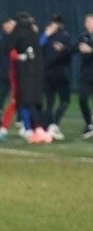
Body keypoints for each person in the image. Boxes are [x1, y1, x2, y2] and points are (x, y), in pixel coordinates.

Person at [9, 13, 50, 144]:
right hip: (36, 74)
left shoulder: (19, 35)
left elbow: (8, 49)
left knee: (27, 102)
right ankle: (34, 130)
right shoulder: (33, 36)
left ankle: (39, 130)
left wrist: (20, 57)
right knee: (32, 103)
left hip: (26, 74)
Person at [40, 13, 73, 141]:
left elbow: (38, 50)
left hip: (47, 73)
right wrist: (64, 49)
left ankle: (47, 126)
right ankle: (53, 125)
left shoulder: (46, 36)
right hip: (59, 73)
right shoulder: (64, 36)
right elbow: (69, 53)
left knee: (49, 102)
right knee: (65, 100)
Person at [0, 16, 16, 139]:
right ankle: (0, 114)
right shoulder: (0, 40)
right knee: (3, 94)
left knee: (16, 96)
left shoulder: (17, 40)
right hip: (5, 72)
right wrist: (3, 67)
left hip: (15, 72)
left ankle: (18, 119)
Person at [75, 12, 93, 139]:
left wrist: (90, 50)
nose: (87, 24)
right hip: (86, 75)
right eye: (86, 22)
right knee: (82, 99)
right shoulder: (83, 36)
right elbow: (74, 48)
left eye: (90, 21)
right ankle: (89, 123)